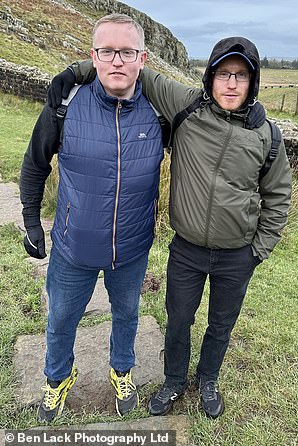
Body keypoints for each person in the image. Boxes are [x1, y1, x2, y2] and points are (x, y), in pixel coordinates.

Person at [48, 36, 292, 419]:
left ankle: (208, 379)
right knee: (179, 319)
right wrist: (76, 70)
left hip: (237, 254)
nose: (231, 84)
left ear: (253, 82)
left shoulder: (268, 135)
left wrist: (258, 250)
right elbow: (131, 67)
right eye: (224, 74)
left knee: (221, 324)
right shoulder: (187, 105)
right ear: (210, 77)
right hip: (188, 249)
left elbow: (278, 195)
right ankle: (174, 381)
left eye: (241, 76)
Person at [20, 13, 164, 422]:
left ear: (143, 58)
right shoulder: (64, 105)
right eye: (106, 51)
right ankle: (57, 378)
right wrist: (32, 221)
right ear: (93, 56)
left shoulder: (159, 114)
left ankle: (122, 370)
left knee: (128, 314)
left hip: (132, 247)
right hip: (73, 245)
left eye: (127, 51)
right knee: (62, 317)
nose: (117, 60)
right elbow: (34, 165)